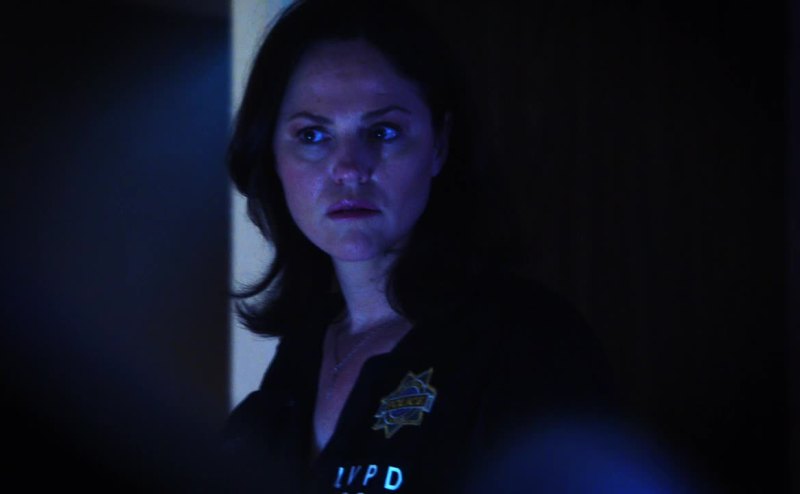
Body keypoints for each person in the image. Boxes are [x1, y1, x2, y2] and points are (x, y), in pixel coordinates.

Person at [221, 0, 615, 492]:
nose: (348, 168)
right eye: (313, 134)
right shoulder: (299, 354)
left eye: (383, 131)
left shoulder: (528, 343)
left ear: (439, 145)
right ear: (272, 155)